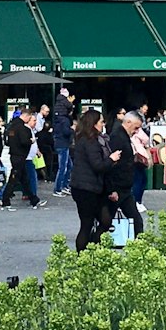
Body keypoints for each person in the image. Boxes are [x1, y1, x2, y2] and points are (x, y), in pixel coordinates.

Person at [68, 111, 118, 251]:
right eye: (101, 121)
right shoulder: (90, 141)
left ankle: (93, 247)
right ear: (94, 123)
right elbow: (97, 165)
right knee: (87, 224)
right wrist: (111, 159)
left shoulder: (90, 139)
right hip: (86, 188)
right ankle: (83, 255)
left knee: (105, 220)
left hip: (93, 187)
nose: (103, 124)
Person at [104, 112, 144, 239]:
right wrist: (111, 189)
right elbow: (111, 164)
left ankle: (140, 246)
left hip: (124, 187)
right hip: (118, 187)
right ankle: (94, 245)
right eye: (136, 128)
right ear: (128, 123)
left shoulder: (122, 136)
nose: (137, 131)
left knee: (136, 220)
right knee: (106, 222)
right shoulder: (117, 137)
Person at [0, 108, 43, 209]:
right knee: (13, 179)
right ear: (26, 116)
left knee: (24, 179)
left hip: (14, 154)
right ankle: (5, 199)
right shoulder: (23, 128)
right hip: (20, 156)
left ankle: (34, 199)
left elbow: (8, 141)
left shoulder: (12, 126)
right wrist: (31, 141)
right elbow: (24, 141)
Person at [50, 85, 75, 196]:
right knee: (63, 167)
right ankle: (58, 188)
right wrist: (72, 130)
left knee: (69, 165)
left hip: (59, 142)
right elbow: (66, 132)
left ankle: (64, 186)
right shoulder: (64, 120)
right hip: (63, 143)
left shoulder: (57, 116)